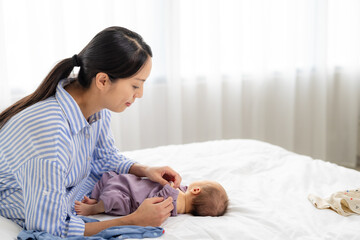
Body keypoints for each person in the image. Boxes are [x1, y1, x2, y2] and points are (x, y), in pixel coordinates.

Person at [0, 26, 182, 237]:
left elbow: (105, 157)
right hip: (21, 199)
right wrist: (134, 220)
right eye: (135, 85)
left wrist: (145, 169)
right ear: (103, 80)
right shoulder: (50, 133)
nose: (140, 94)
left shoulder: (95, 107)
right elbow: (50, 228)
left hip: (72, 192)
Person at [74, 172, 229, 217]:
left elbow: (164, 193)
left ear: (196, 190)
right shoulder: (180, 200)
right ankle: (95, 200)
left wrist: (168, 185)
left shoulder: (172, 195)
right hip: (127, 187)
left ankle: (93, 209)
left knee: (112, 197)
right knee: (109, 178)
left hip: (127, 196)